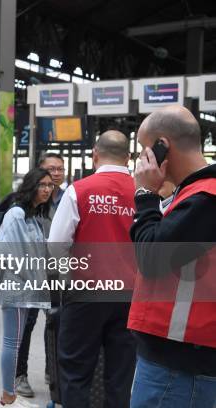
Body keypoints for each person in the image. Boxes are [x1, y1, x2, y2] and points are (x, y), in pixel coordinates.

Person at [128, 105, 216, 408]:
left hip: (180, 367)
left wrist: (144, 196)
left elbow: (153, 258)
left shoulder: (206, 199)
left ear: (162, 147)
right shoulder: (194, 195)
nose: (141, 159)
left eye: (144, 149)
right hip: (182, 361)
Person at [48, 130, 137, 408]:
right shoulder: (146, 194)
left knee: (75, 373)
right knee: (121, 377)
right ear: (129, 157)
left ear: (94, 155)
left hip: (85, 293)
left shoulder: (79, 190)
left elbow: (56, 245)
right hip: (129, 297)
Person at [0, 167, 53, 407]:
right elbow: (3, 248)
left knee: (15, 341)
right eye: (43, 185)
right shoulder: (17, 213)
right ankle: (8, 395)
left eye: (50, 185)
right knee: (12, 342)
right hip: (17, 287)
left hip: (28, 286)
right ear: (31, 186)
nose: (48, 189)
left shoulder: (34, 215)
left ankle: (8, 394)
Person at [15, 152, 66, 397]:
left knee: (55, 321)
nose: (56, 174)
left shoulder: (68, 198)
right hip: (31, 273)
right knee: (27, 323)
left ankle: (52, 371)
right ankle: (19, 374)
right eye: (51, 170)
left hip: (56, 272)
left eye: (59, 169)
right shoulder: (25, 205)